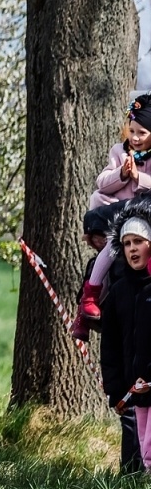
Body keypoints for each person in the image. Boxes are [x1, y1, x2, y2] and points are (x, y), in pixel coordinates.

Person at [76, 93, 151, 335]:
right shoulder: (120, 151)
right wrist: (121, 173)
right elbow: (102, 184)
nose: (136, 138)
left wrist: (140, 178)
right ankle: (88, 304)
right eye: (132, 131)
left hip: (139, 222)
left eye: (142, 133)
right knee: (109, 253)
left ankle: (92, 300)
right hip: (119, 222)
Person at [96, 198, 151, 475]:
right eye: (127, 243)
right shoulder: (118, 292)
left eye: (138, 242)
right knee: (145, 449)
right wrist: (115, 388)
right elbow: (111, 345)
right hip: (133, 390)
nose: (132, 249)